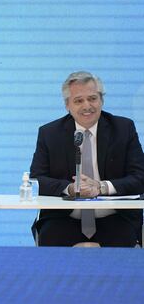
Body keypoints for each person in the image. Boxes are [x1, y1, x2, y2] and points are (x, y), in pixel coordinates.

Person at [30, 71, 144, 247]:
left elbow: (140, 177)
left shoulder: (123, 129)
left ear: (101, 100)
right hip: (64, 218)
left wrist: (101, 187)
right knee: (51, 248)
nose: (87, 105)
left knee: (123, 254)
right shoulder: (50, 133)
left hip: (115, 218)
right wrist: (69, 188)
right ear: (67, 105)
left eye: (92, 98)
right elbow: (37, 179)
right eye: (78, 100)